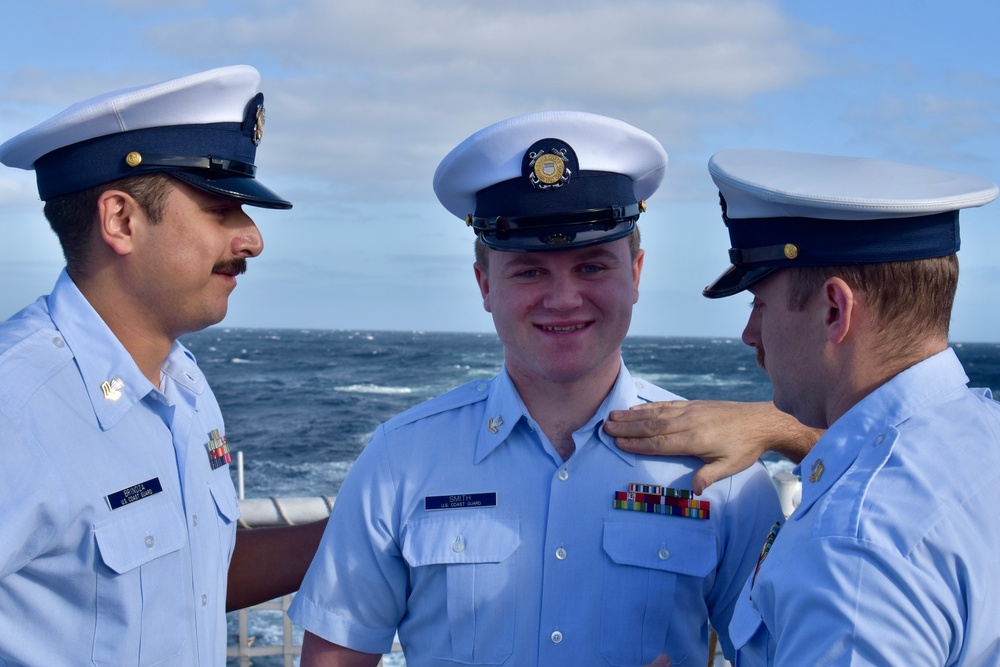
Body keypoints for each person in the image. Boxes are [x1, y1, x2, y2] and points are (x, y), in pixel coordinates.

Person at [288, 111, 784, 666]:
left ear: (637, 273)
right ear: (485, 285)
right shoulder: (400, 459)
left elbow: (779, 654)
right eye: (529, 271)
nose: (563, 298)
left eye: (592, 267)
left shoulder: (724, 471)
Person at [0, 65, 326, 665]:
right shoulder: (15, 404)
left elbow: (192, 578)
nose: (253, 239)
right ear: (121, 220)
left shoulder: (186, 385)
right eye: (220, 209)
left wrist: (364, 527)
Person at [640, 148, 1000, 665]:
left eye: (759, 305)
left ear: (835, 309)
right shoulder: (982, 438)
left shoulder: (853, 551)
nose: (749, 334)